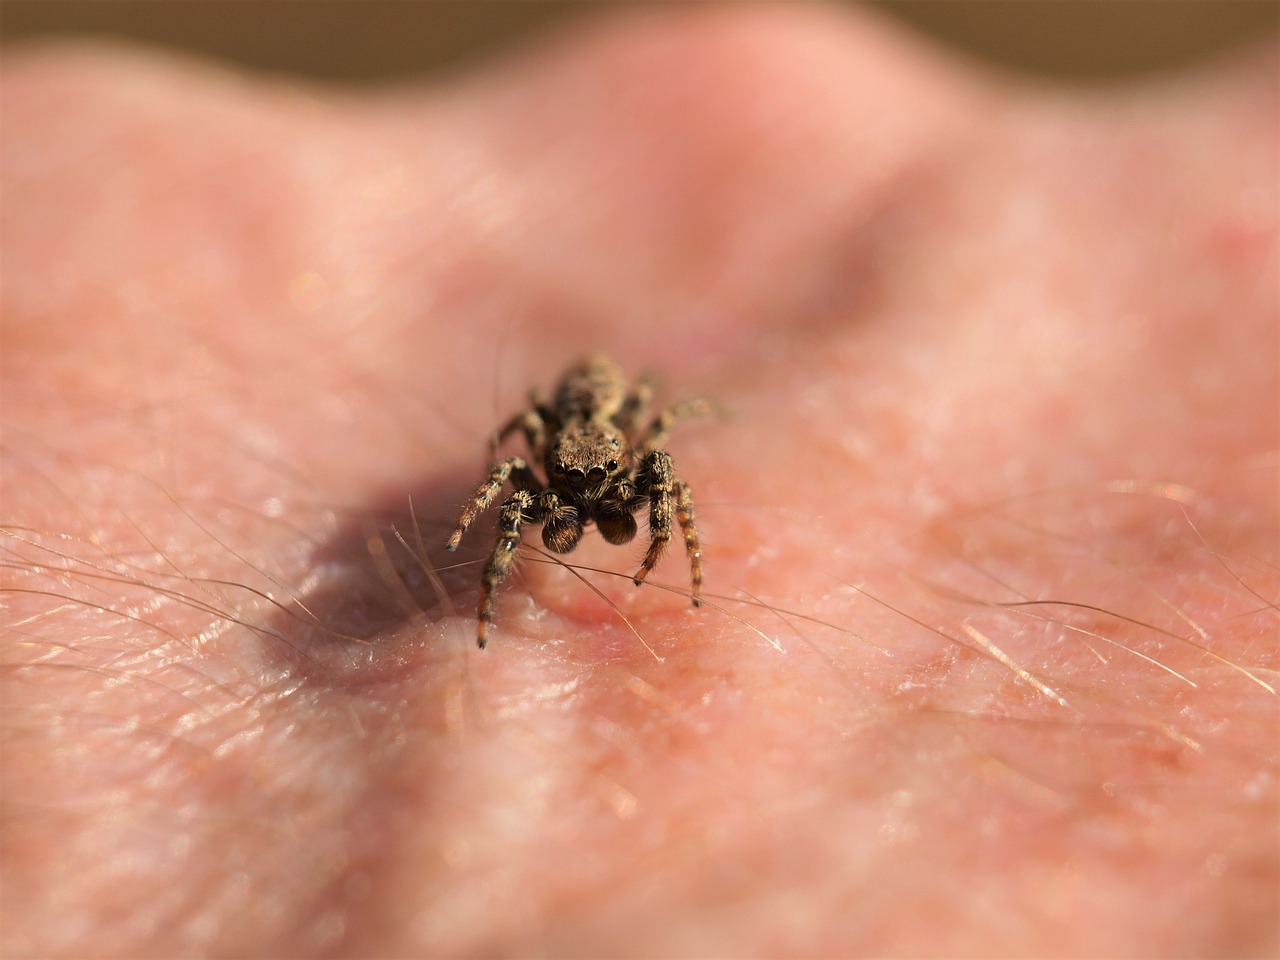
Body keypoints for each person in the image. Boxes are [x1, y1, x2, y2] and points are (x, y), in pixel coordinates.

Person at [3, 6, 1275, 955]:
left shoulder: (633, 449)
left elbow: (645, 459)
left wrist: (684, 574)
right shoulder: (550, 458)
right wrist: (486, 584)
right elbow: (525, 457)